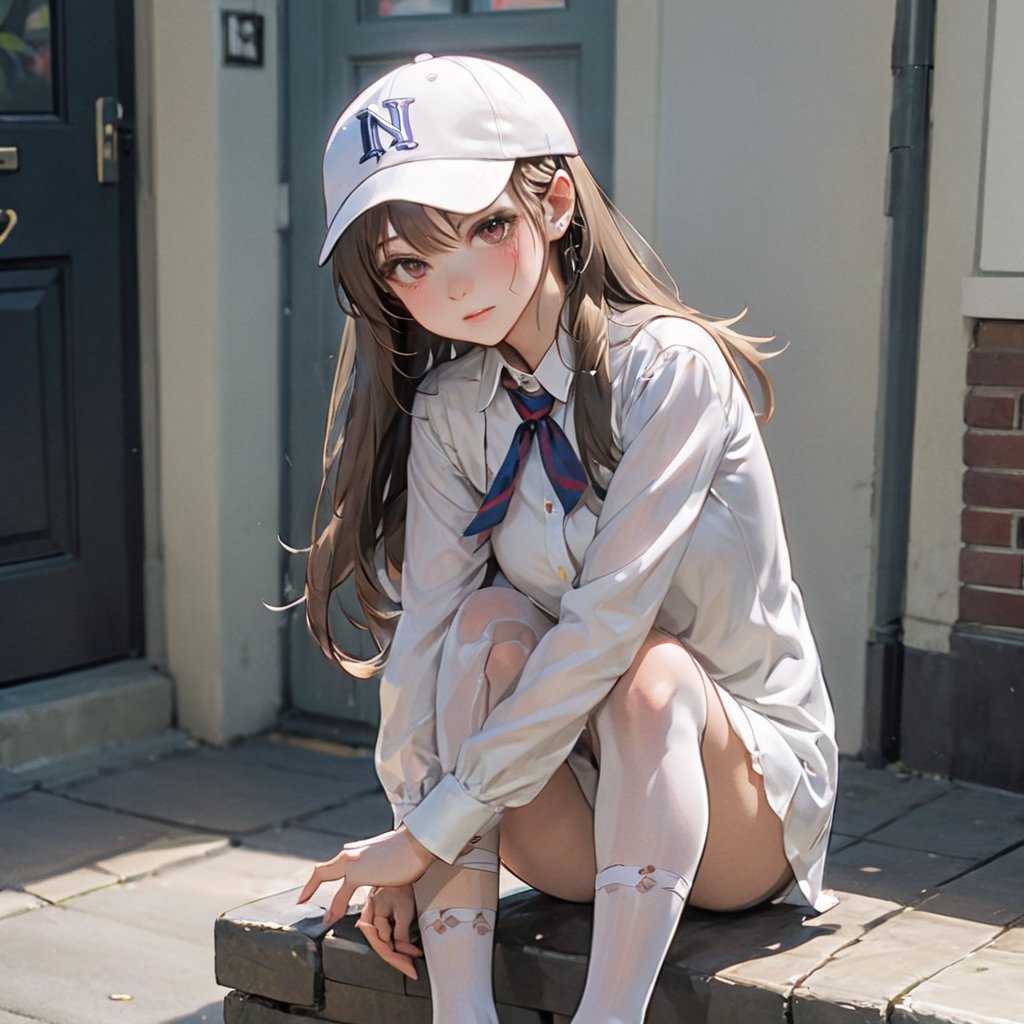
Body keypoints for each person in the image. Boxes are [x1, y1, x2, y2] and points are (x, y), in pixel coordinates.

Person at [296, 53, 838, 1024]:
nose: (453, 288)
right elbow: (421, 641)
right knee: (481, 623)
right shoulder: (454, 410)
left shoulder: (670, 369)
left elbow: (606, 623)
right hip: (571, 815)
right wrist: (404, 834)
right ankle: (458, 1014)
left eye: (485, 228)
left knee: (648, 668)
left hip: (734, 817)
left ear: (551, 204)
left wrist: (432, 832)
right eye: (409, 265)